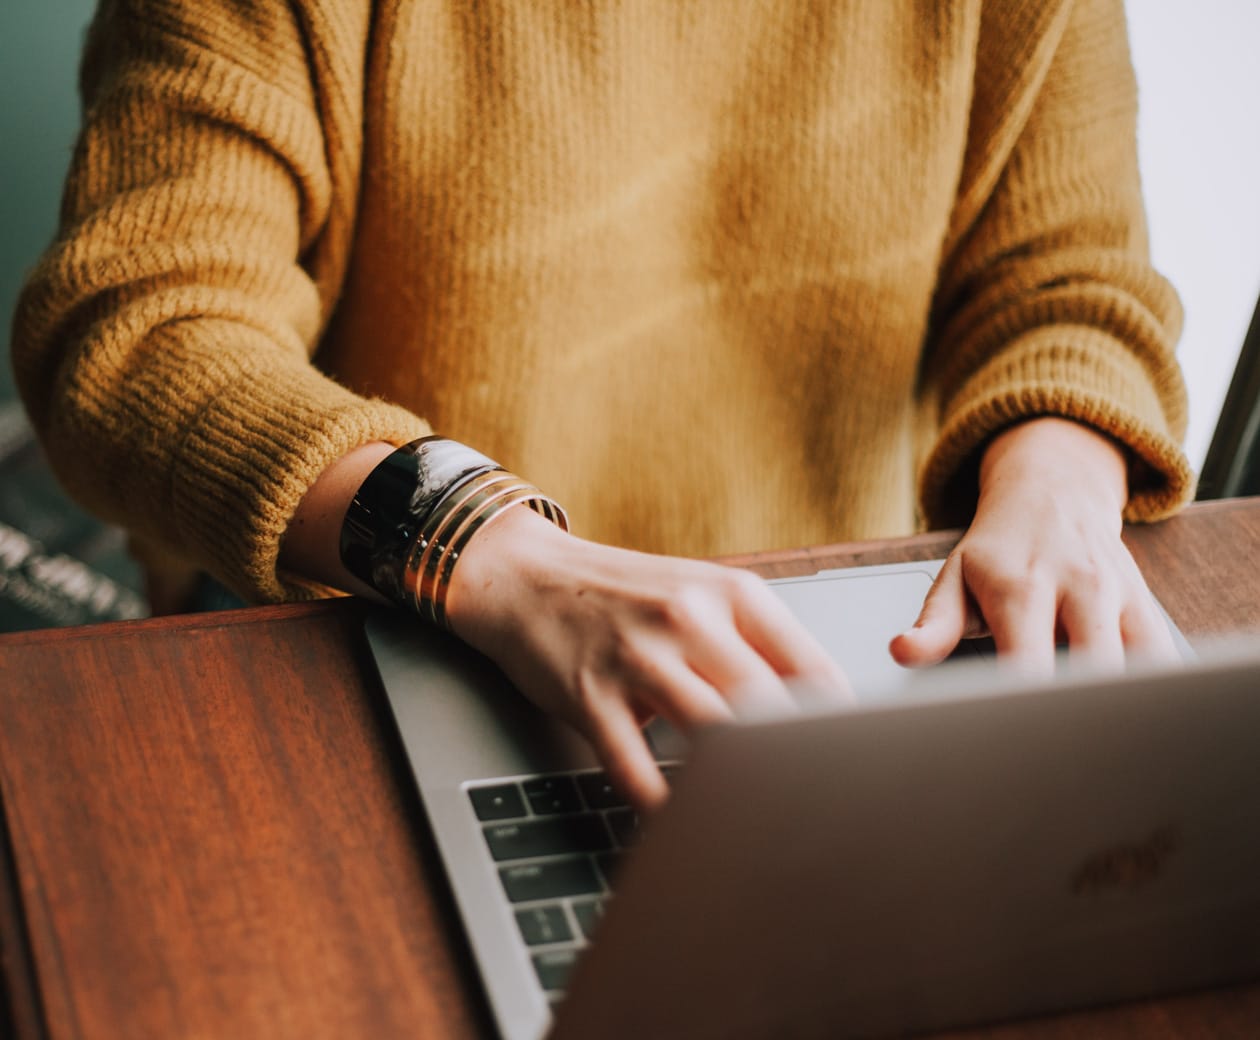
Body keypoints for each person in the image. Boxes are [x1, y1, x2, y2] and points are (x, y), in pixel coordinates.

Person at [11, 0, 1193, 810]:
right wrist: (484, 546)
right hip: (381, 609)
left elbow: (1072, 282)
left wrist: (1062, 476)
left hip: (827, 651)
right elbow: (138, 325)